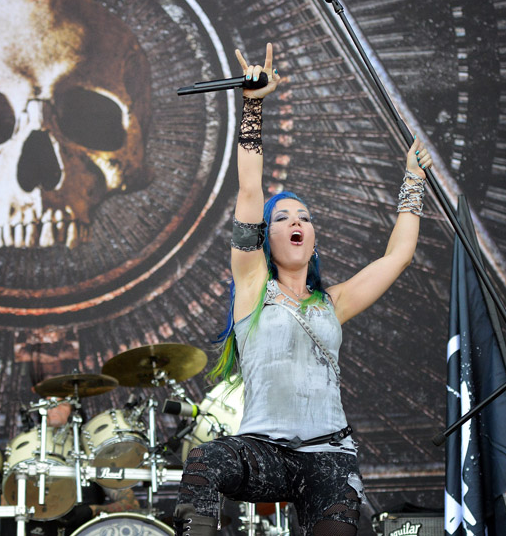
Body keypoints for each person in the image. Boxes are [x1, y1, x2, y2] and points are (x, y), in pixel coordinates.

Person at [173, 43, 431, 536]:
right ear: (266, 239)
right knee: (204, 460)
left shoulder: (333, 303)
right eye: (284, 217)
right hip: (264, 452)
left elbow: (396, 257)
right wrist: (253, 105)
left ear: (312, 241)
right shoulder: (251, 286)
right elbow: (250, 191)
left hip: (327, 456)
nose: (296, 222)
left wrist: (413, 180)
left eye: (305, 218)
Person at [0, 402, 140, 536]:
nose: (55, 407)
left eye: (62, 403)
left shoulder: (90, 456)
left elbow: (131, 503)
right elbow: (0, 506)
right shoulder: (25, 454)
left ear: (74, 412)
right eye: (49, 403)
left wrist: (92, 510)